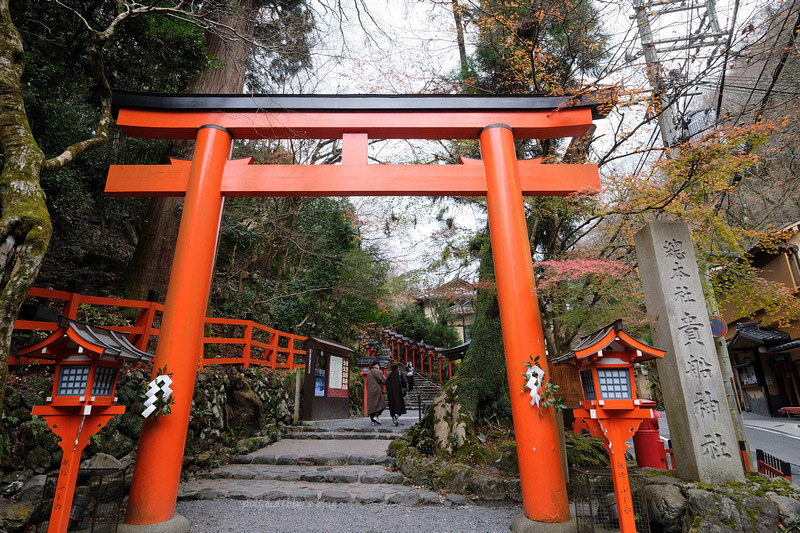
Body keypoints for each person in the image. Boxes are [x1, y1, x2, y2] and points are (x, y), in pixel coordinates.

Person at [386, 360, 408, 426]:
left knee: (392, 405)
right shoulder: (400, 373)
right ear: (397, 366)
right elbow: (404, 381)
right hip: (398, 392)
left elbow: (387, 384)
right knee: (398, 404)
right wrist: (404, 388)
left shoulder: (389, 375)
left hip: (390, 393)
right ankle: (397, 415)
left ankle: (394, 420)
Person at [366, 361, 386, 425]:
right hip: (377, 390)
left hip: (370, 390)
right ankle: (376, 416)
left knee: (371, 406)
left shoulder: (369, 372)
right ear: (377, 365)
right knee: (382, 405)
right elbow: (383, 381)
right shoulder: (378, 371)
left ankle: (372, 421)